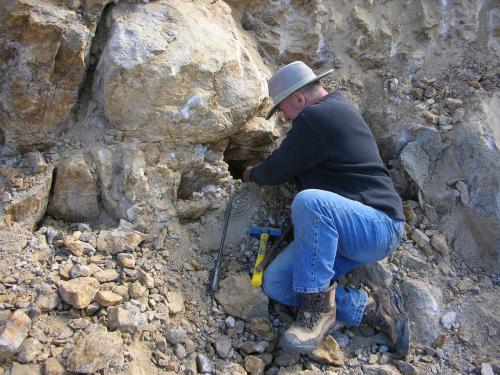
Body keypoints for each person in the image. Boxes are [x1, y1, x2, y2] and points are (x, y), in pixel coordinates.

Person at [242, 61, 410, 356]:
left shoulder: (318, 117)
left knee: (310, 202)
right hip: (346, 231)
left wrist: (248, 173)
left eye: (282, 109)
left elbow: (276, 169)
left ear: (298, 99)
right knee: (277, 283)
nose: (283, 117)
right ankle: (372, 310)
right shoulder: (330, 113)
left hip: (377, 224)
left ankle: (316, 312)